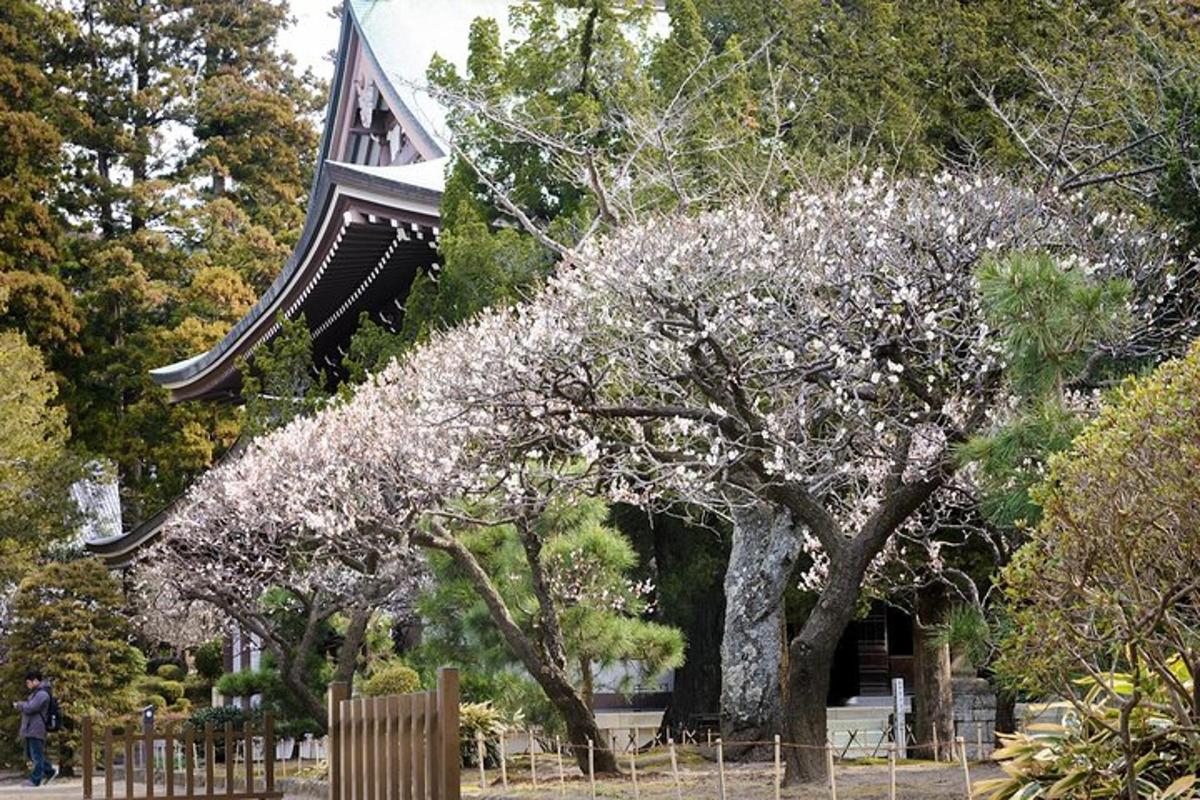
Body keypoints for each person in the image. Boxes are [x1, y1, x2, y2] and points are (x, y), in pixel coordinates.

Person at [13, 670, 56, 787]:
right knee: (31, 754)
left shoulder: (42, 694)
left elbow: (31, 707)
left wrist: (20, 705)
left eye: (28, 682)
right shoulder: (36, 693)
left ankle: (35, 780)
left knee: (36, 755)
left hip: (36, 728)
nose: (27, 685)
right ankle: (50, 771)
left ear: (35, 681)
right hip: (30, 728)